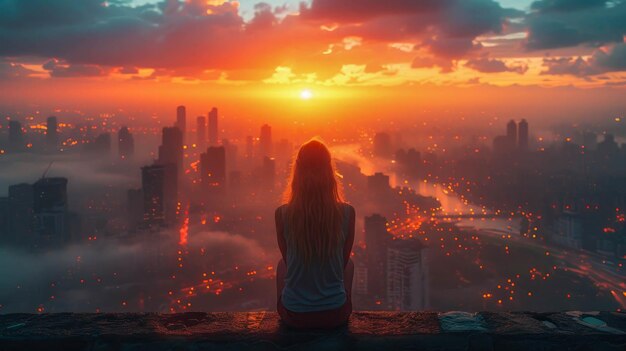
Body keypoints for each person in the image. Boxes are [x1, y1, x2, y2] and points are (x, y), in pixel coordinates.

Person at [275, 139, 355, 329]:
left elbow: (287, 259)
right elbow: (343, 261)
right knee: (350, 265)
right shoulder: (347, 213)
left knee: (280, 266)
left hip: (294, 315)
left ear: (298, 172)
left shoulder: (282, 214)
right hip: (335, 314)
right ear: (329, 171)